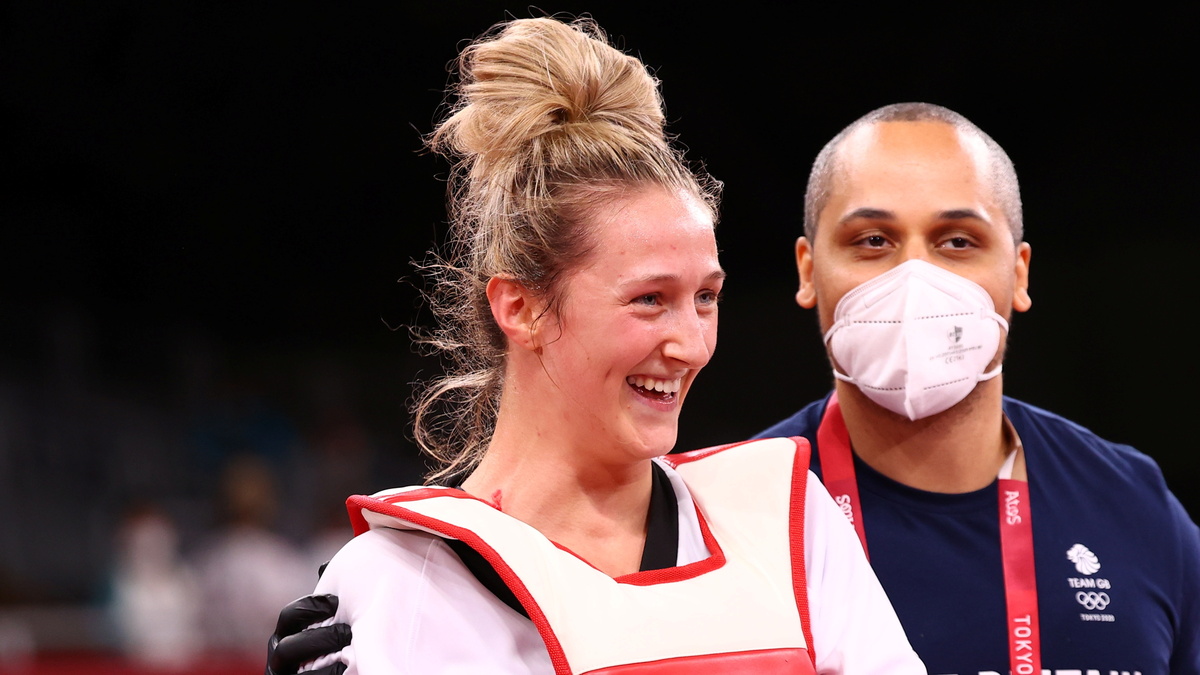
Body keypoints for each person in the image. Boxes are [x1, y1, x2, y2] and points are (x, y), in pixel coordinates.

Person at [266, 17, 924, 675]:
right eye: (650, 299)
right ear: (521, 307)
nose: (692, 345)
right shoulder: (408, 580)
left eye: (706, 297)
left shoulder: (785, 521)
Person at [755, 102, 1200, 675]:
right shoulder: (740, 514)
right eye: (873, 240)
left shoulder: (1133, 504)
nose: (915, 279)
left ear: (1018, 273)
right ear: (807, 270)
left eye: (958, 242)